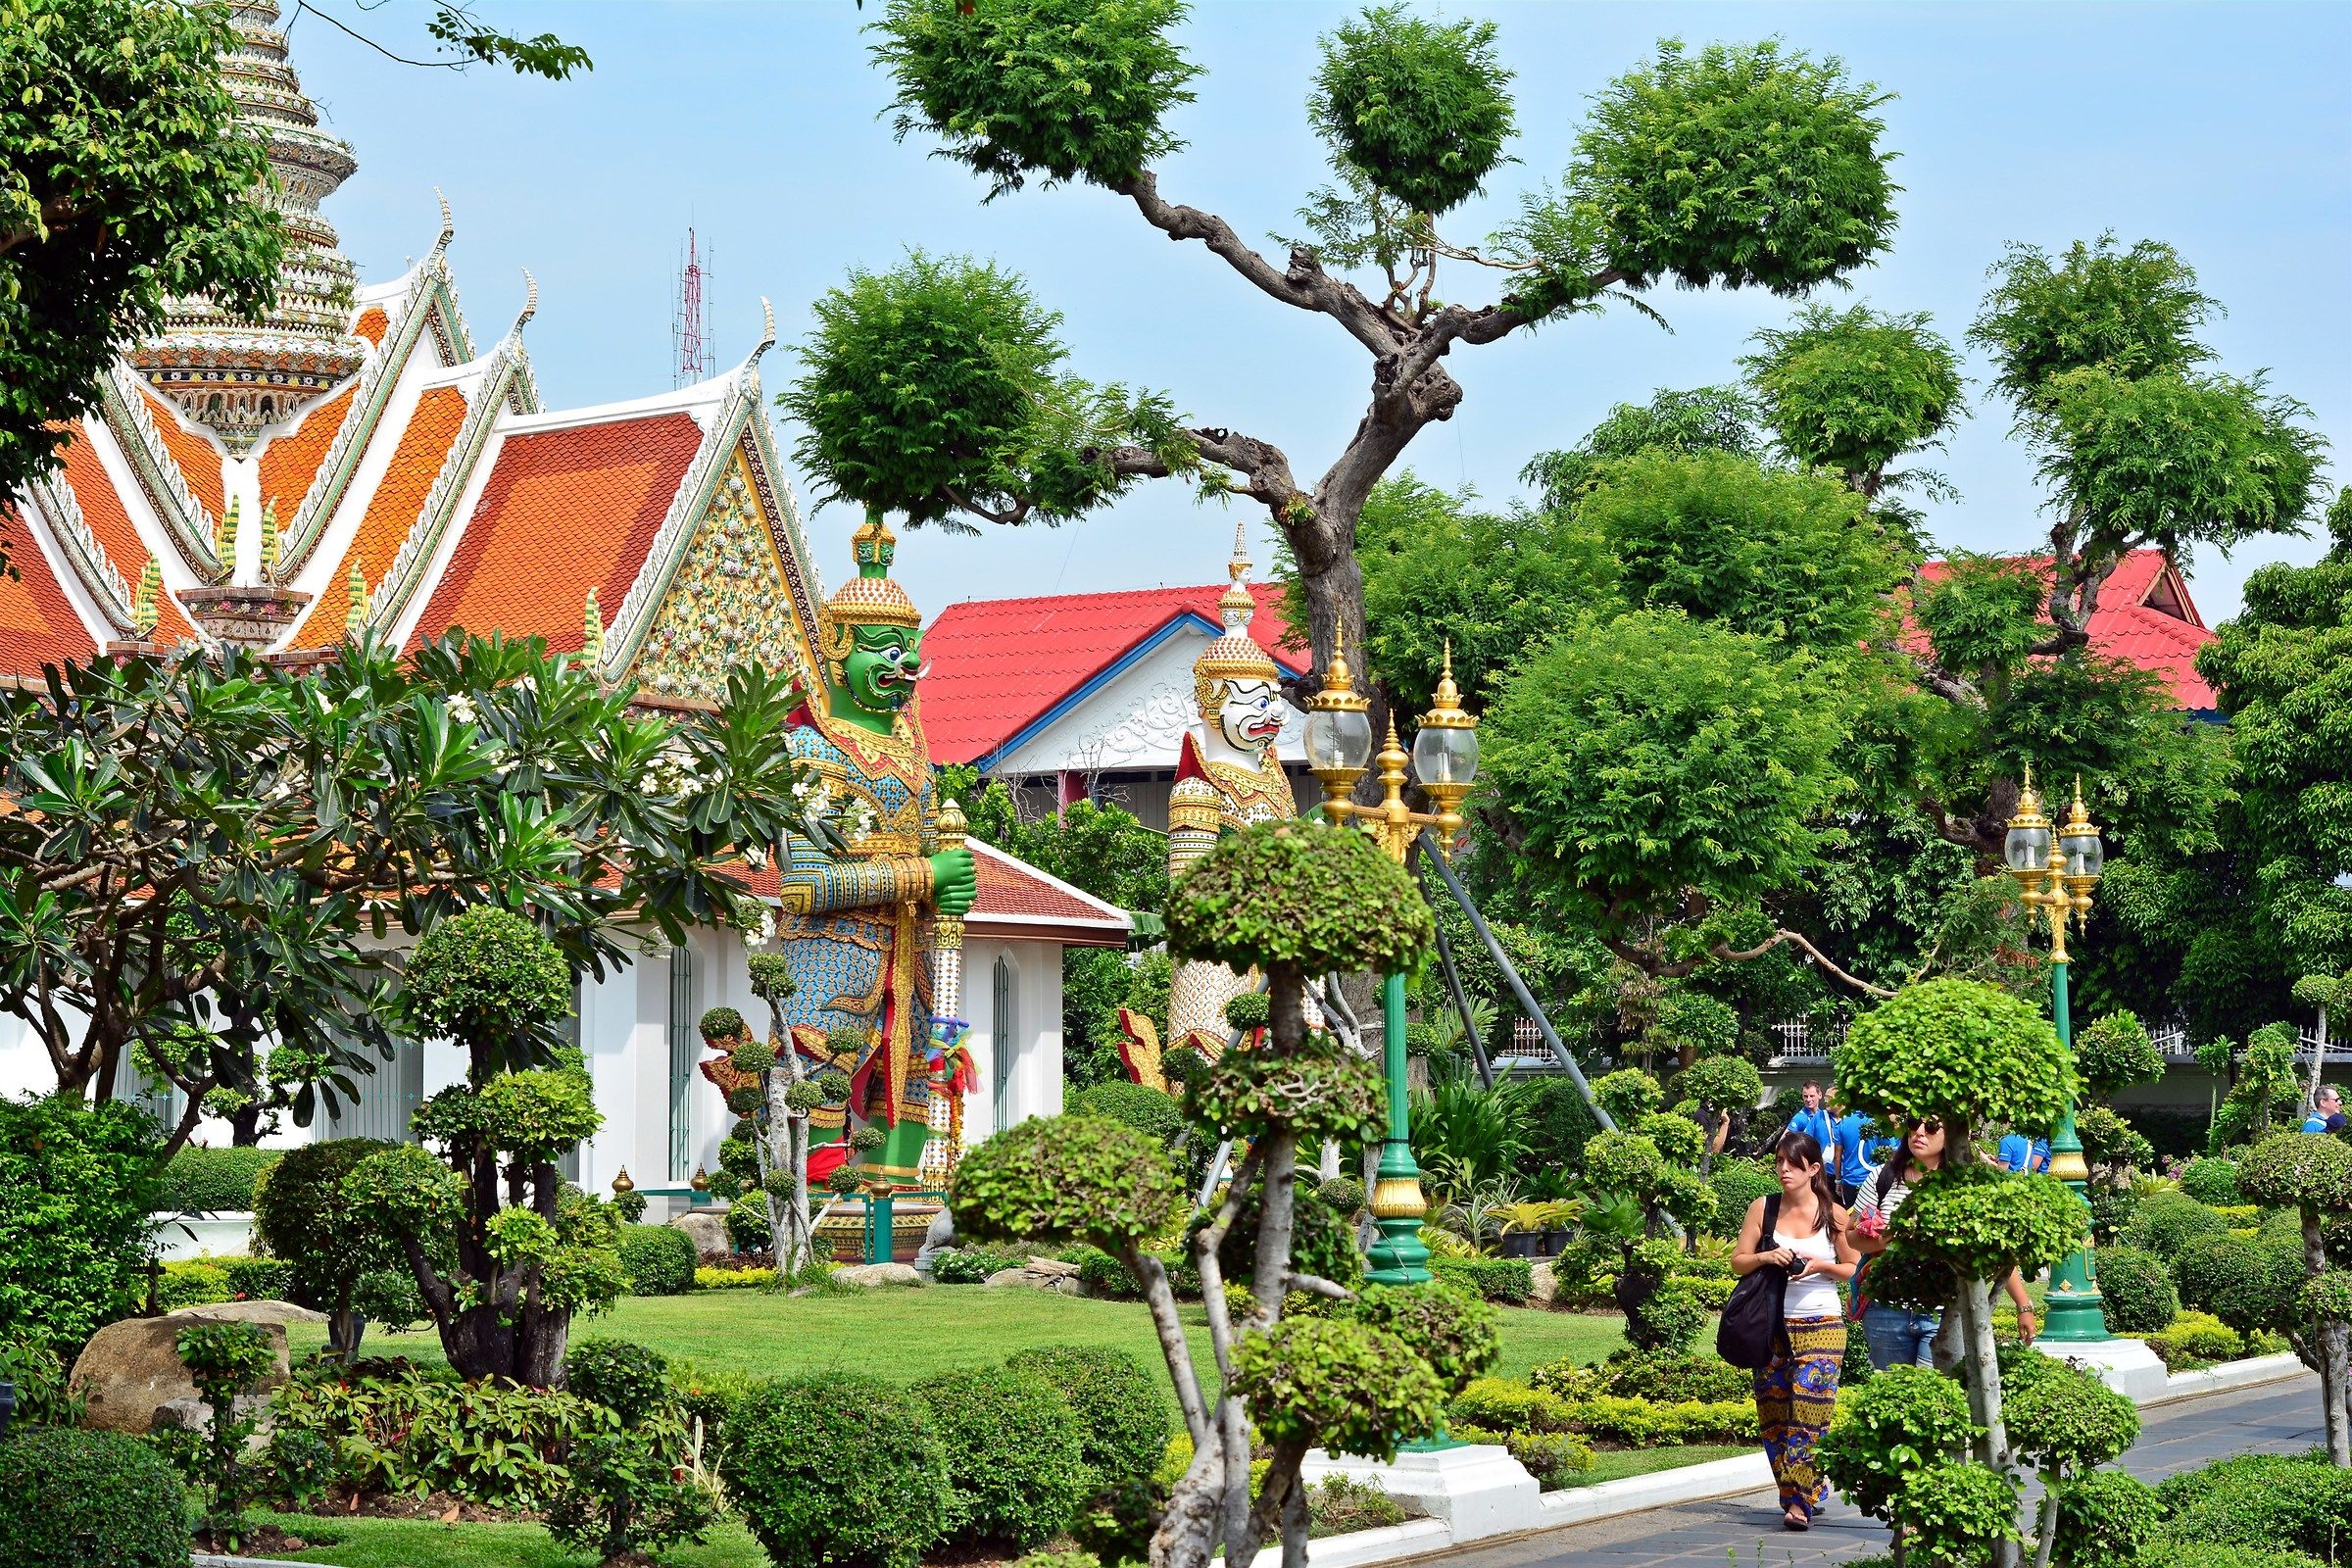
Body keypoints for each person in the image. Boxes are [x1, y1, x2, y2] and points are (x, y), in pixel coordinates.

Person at [1733, 1130, 1859, 1532]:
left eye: (1793, 1164)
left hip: (1822, 1325)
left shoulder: (1834, 1213)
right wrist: (1768, 1256)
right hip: (1771, 1327)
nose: (1784, 1170)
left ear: (1813, 1168)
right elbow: (1738, 1261)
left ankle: (1799, 1502)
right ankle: (1797, 1493)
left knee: (1808, 1414)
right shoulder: (1763, 1209)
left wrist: (1819, 1266)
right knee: (1773, 1417)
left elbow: (1851, 1267)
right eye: (1779, 1163)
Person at [1849, 1116, 2038, 1369]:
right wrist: (1886, 1239)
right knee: (1894, 1397)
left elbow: (1993, 1252)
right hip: (1888, 1309)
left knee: (1943, 1400)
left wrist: (2023, 1304)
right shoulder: (1881, 1177)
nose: (1919, 1132)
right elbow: (1851, 1237)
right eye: (1913, 1123)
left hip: (1947, 1310)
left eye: (1930, 1127)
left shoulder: (1965, 1185)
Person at [1831, 1102, 1877, 1205]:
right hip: (1872, 1180)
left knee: (1852, 1218)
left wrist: (1838, 1181)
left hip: (1850, 1181)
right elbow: (1891, 1151)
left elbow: (1837, 1156)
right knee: (1873, 1218)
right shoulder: (1877, 1121)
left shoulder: (1843, 1122)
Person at [1788, 1081, 1837, 1155]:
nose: (1808, 1099)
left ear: (1819, 1095)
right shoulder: (1800, 1118)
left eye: (1812, 1096)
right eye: (1805, 1096)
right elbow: (1784, 1142)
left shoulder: (1823, 1115)